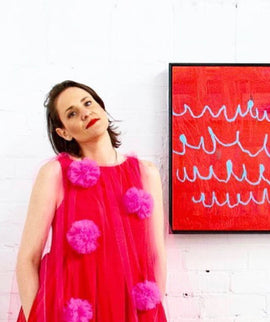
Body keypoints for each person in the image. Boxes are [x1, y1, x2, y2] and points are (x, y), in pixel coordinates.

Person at [15, 80, 167, 321]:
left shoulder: (146, 173)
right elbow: (27, 259)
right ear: (64, 131)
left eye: (88, 103)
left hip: (129, 307)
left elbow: (156, 255)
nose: (85, 112)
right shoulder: (55, 174)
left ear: (101, 107)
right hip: (67, 310)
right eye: (72, 113)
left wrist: (151, 310)